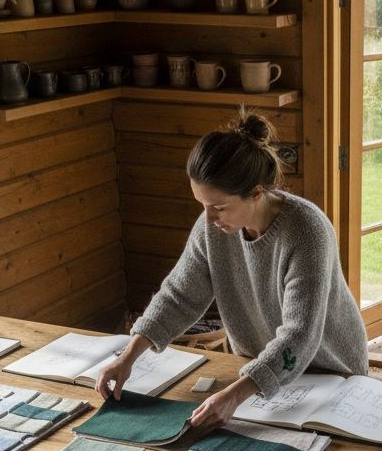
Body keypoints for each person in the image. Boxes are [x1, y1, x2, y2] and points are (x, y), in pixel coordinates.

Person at [94, 110, 368, 428]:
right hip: (260, 368)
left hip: (331, 371)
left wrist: (235, 396)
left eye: (218, 207)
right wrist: (127, 357)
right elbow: (179, 295)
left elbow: (299, 336)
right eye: (202, 205)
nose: (208, 220)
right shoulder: (214, 227)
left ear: (255, 193)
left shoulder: (307, 232)